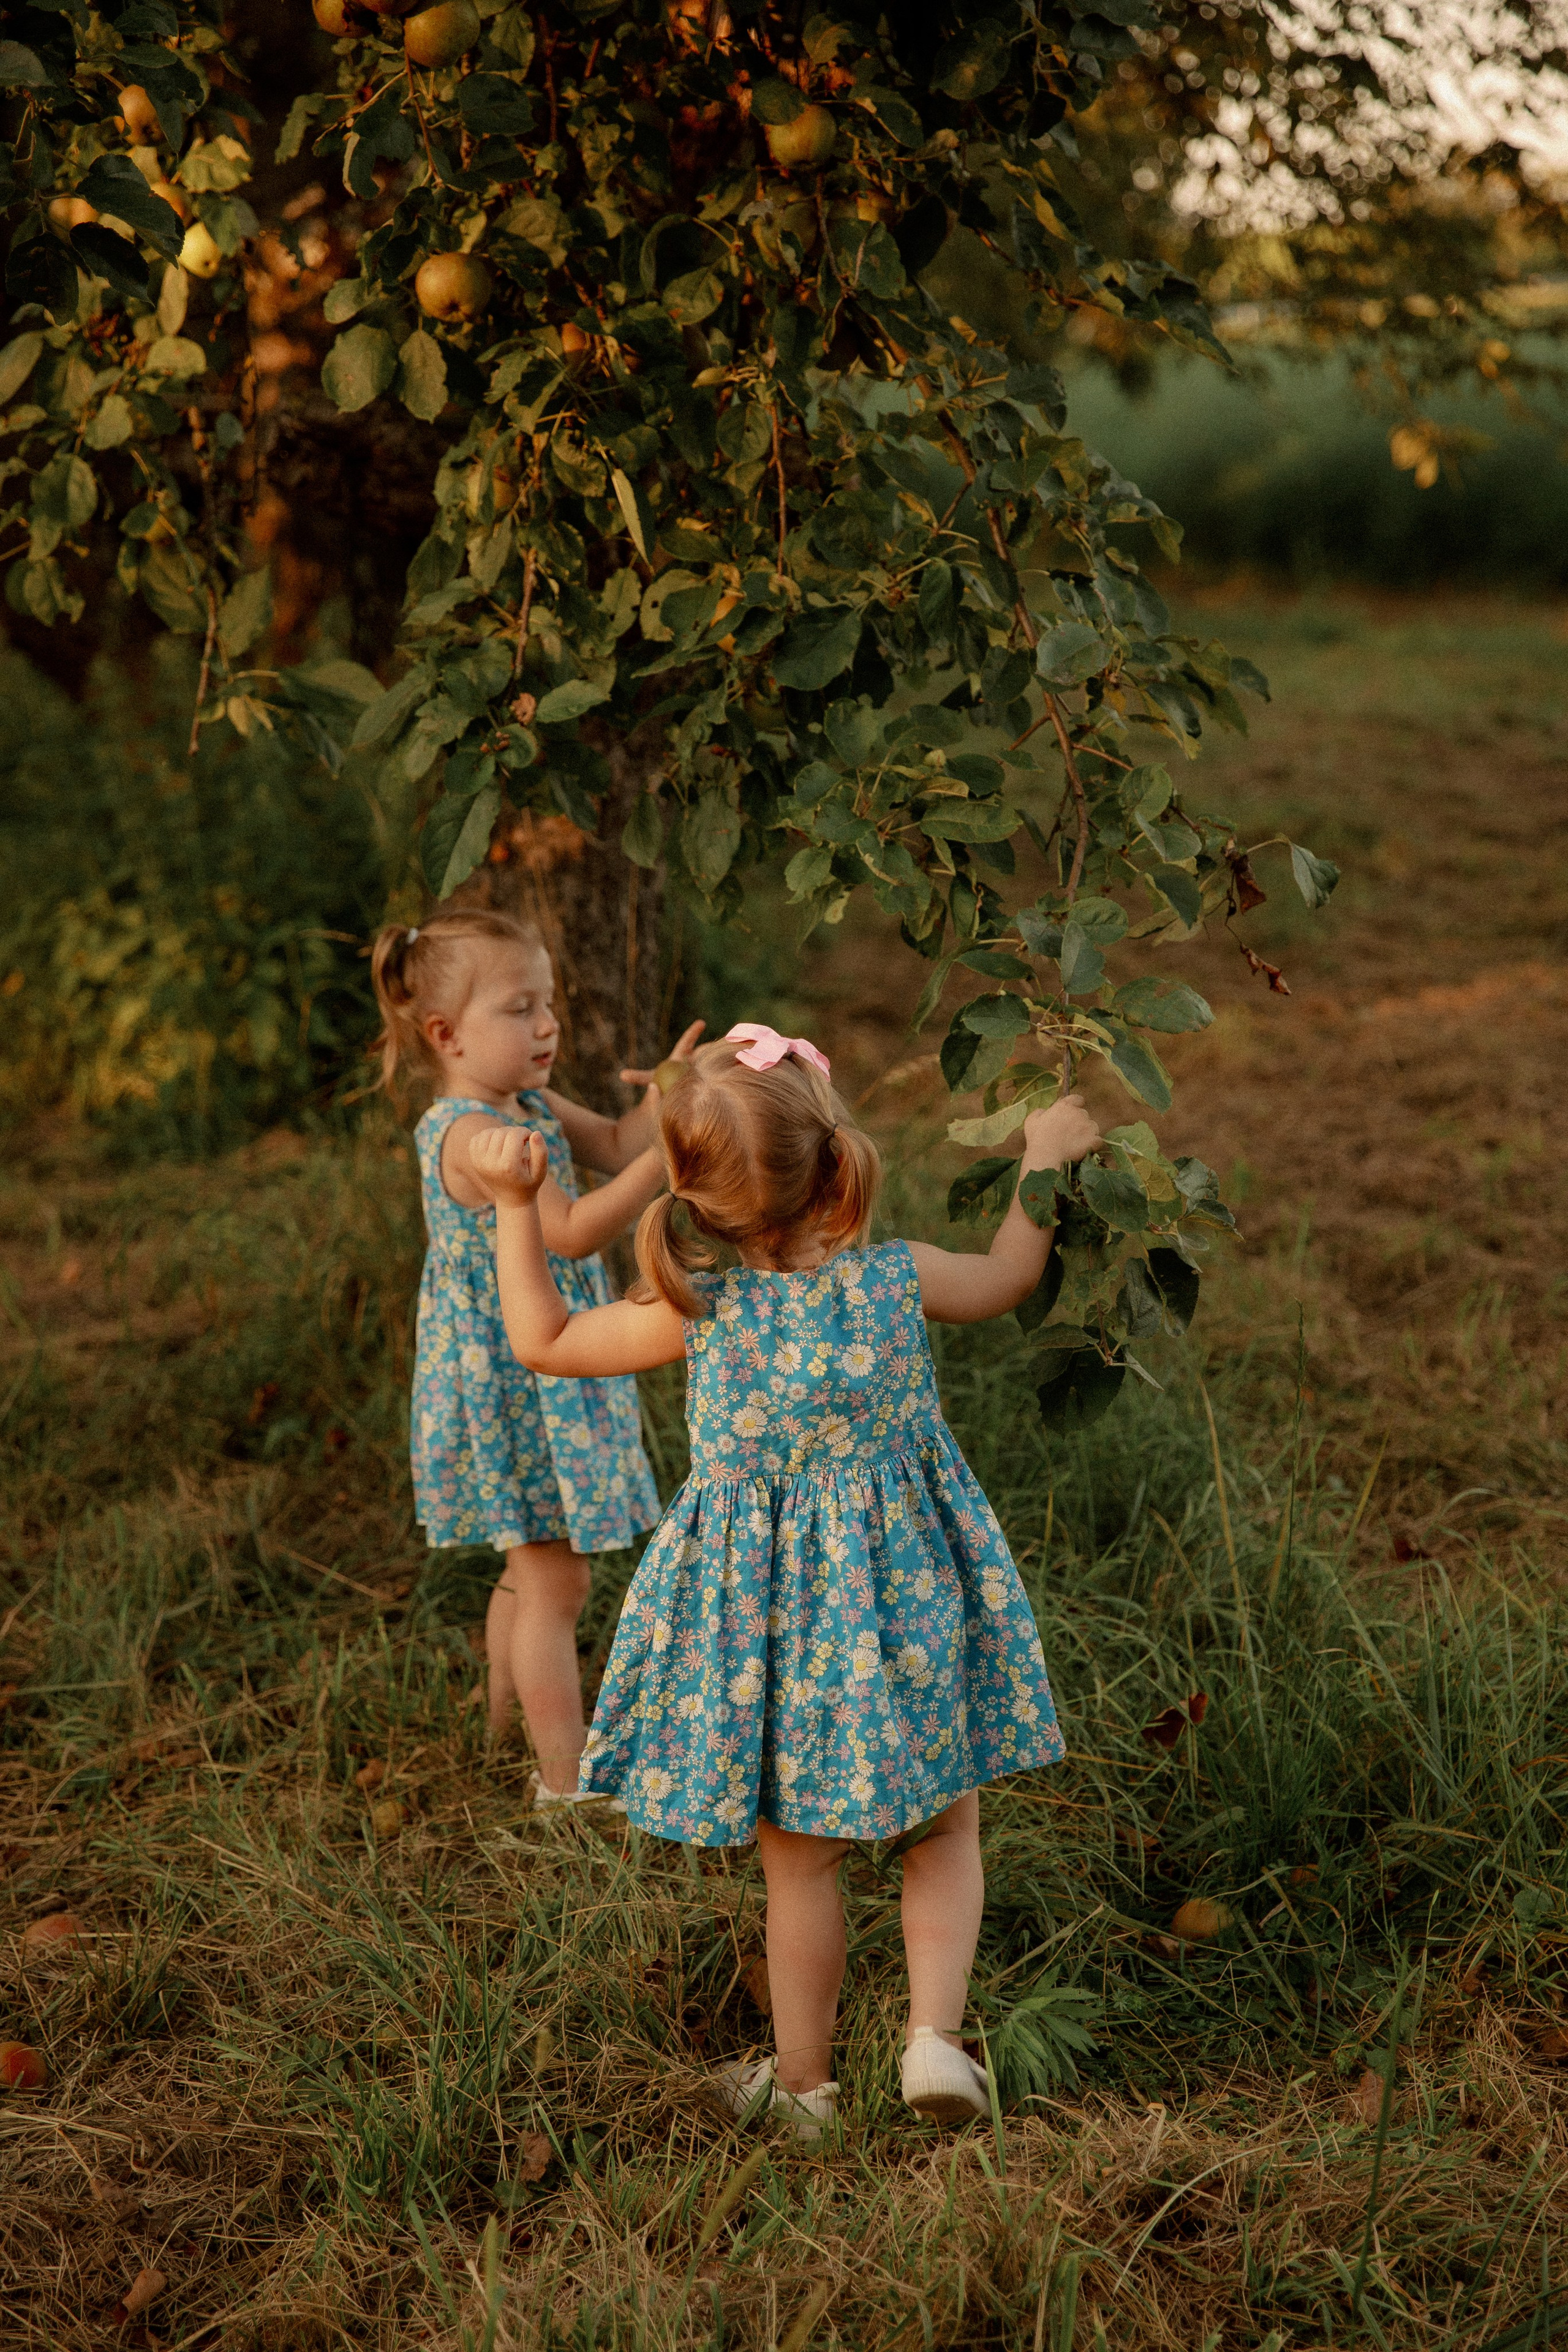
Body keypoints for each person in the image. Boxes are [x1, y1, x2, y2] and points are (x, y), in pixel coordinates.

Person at [469, 1022, 1102, 2135]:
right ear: (837, 1161)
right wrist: (1044, 1156)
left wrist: (518, 1209)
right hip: (909, 1609)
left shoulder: (697, 1312)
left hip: (774, 1645)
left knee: (800, 1872)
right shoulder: (897, 1279)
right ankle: (934, 2042)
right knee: (943, 1833)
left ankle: (806, 2088)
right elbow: (1012, 1274)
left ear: (692, 1194)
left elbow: (546, 1339)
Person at [371, 905, 703, 1806]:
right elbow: (571, 1230)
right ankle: (565, 1781)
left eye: (547, 1002)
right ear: (446, 1035)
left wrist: (663, 1103)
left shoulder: (528, 1106)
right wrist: (674, 1158)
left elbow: (616, 1144)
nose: (548, 1024)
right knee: (557, 1579)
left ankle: (498, 1725)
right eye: (520, 1009)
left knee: (530, 1568)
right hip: (515, 1383)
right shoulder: (470, 1136)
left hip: (539, 1368)